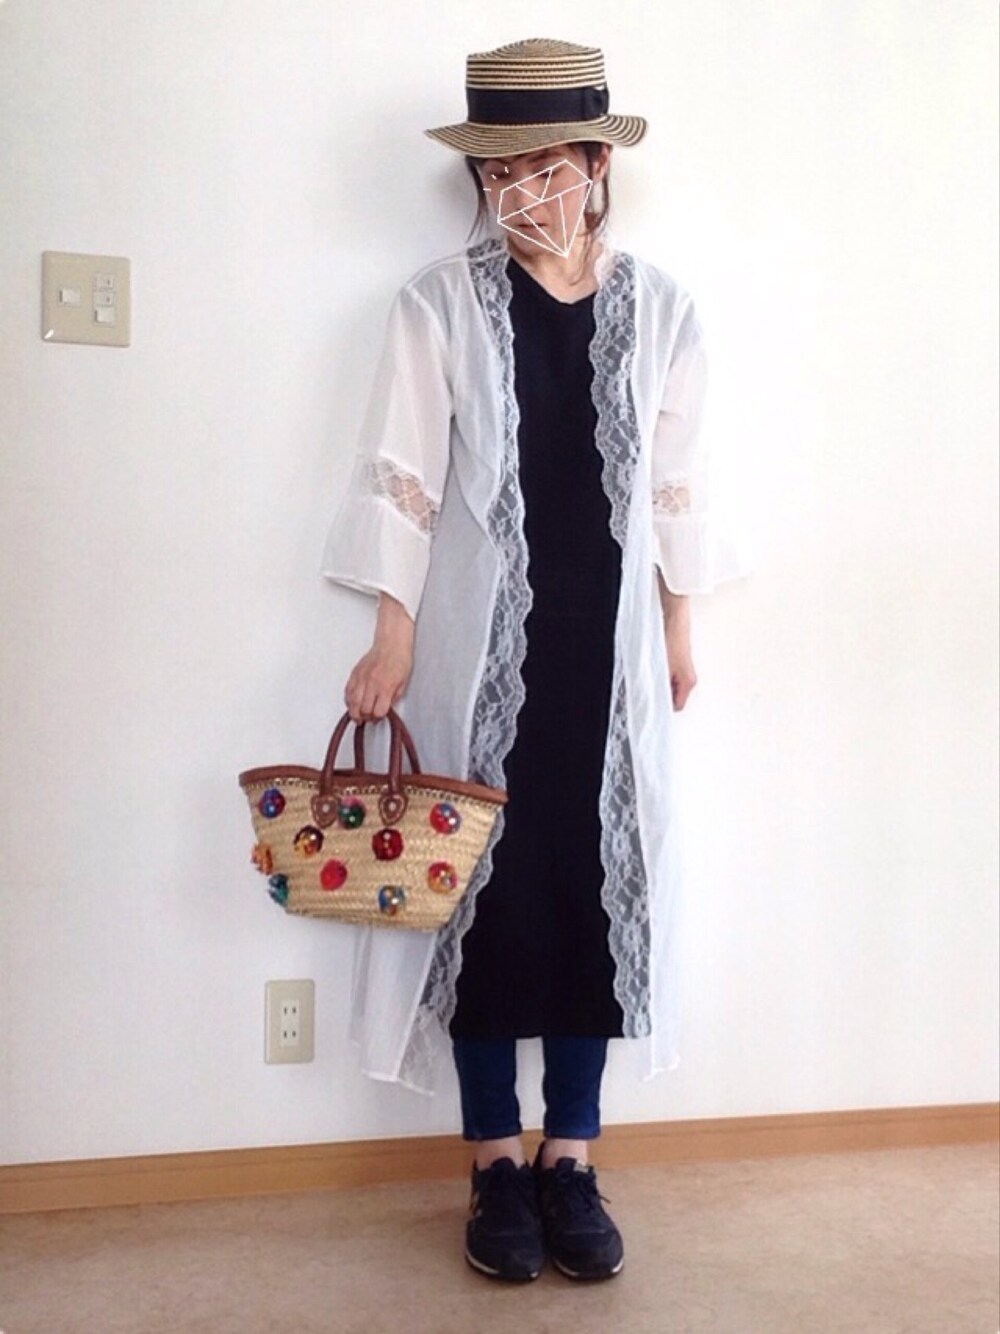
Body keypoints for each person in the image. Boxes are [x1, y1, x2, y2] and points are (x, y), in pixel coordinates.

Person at [320, 37, 750, 1284]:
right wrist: (392, 633)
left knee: (589, 890)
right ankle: (494, 1162)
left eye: (550, 164)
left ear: (596, 166)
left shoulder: (662, 309)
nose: (527, 191)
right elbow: (404, 474)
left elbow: (677, 485)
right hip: (484, 648)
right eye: (502, 170)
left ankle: (572, 1152)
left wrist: (677, 628)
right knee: (480, 890)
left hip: (606, 657)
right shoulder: (437, 304)